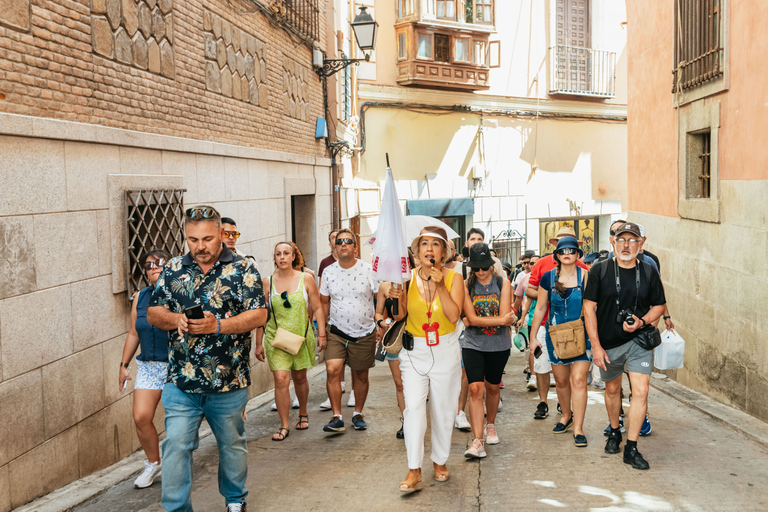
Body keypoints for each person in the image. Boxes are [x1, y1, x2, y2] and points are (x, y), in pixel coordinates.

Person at [148, 206, 267, 512]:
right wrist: (177, 320)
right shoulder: (173, 268)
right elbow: (154, 312)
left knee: (232, 445)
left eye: (207, 238)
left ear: (221, 234)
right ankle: (176, 508)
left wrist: (218, 325)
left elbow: (259, 313)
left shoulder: (243, 268)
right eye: (192, 239)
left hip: (229, 381)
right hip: (182, 382)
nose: (200, 246)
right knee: (175, 446)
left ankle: (235, 500)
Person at [584, 222, 667, 470]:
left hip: (639, 341)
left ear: (641, 243)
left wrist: (642, 320)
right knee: (612, 391)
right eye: (621, 240)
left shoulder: (650, 272)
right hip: (609, 343)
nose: (626, 245)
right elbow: (589, 309)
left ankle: (631, 447)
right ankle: (614, 431)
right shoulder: (599, 270)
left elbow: (659, 306)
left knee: (641, 392)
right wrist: (596, 346)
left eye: (632, 240)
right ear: (613, 242)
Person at [397, 227, 465, 493]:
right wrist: (396, 295)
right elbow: (401, 313)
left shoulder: (454, 278)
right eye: (423, 243)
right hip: (414, 351)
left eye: (435, 244)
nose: (428, 249)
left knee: (443, 408)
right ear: (417, 251)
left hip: (445, 349)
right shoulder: (406, 278)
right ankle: (414, 469)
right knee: (413, 407)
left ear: (444, 252)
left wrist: (439, 286)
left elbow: (452, 316)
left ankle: (439, 461)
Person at [118, 249, 173, 489]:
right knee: (141, 417)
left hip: (177, 365)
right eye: (149, 265)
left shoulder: (180, 294)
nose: (154, 267)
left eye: (160, 263)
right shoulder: (140, 297)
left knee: (178, 420)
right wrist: (123, 365)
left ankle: (179, 462)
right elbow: (133, 333)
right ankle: (154, 463)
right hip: (150, 366)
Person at [530, 237, 592, 447]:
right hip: (555, 336)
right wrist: (532, 338)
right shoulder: (547, 278)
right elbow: (540, 308)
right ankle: (566, 416)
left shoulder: (586, 277)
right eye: (563, 250)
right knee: (562, 381)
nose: (567, 253)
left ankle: (579, 428)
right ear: (556, 255)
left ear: (577, 255)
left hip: (581, 335)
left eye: (572, 250)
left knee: (578, 380)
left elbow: (592, 310)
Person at [261, 242, 326, 441]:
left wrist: (321, 334)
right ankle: (284, 425)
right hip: (275, 338)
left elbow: (317, 308)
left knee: (299, 378)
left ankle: (303, 412)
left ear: (293, 257)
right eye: (278, 254)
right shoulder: (267, 282)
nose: (282, 257)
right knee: (281, 380)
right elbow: (262, 315)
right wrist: (258, 343)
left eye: (286, 253)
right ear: (274, 258)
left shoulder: (306, 279)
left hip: (300, 336)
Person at [319, 228, 380, 433]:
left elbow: (380, 296)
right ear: (335, 248)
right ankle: (337, 416)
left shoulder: (369, 269)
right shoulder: (328, 272)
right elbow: (323, 303)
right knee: (332, 370)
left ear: (355, 247)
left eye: (347, 241)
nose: (343, 244)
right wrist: (321, 331)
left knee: (361, 375)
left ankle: (357, 413)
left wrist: (379, 322)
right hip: (336, 331)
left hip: (364, 332)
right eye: (339, 241)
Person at [461, 243, 516, 459]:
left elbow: (503, 318)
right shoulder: (466, 286)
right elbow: (496, 318)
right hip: (473, 344)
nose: (481, 272)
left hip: (498, 346)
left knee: (493, 387)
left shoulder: (503, 283)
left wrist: (474, 320)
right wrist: (498, 320)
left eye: (484, 267)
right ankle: (477, 440)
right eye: (476, 268)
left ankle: (490, 424)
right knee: (475, 389)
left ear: (491, 266)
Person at [373, 253, 412, 439]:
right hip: (396, 337)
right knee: (399, 383)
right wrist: (382, 324)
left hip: (416, 337)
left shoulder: (417, 282)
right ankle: (406, 422)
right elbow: (378, 313)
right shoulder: (384, 286)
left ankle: (418, 419)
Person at [516, 254, 540, 391]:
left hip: (548, 319)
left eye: (536, 263)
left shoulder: (548, 276)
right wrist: (521, 317)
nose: (533, 265)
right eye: (531, 263)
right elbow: (524, 300)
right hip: (531, 319)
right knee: (532, 348)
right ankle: (533, 375)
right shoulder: (526, 279)